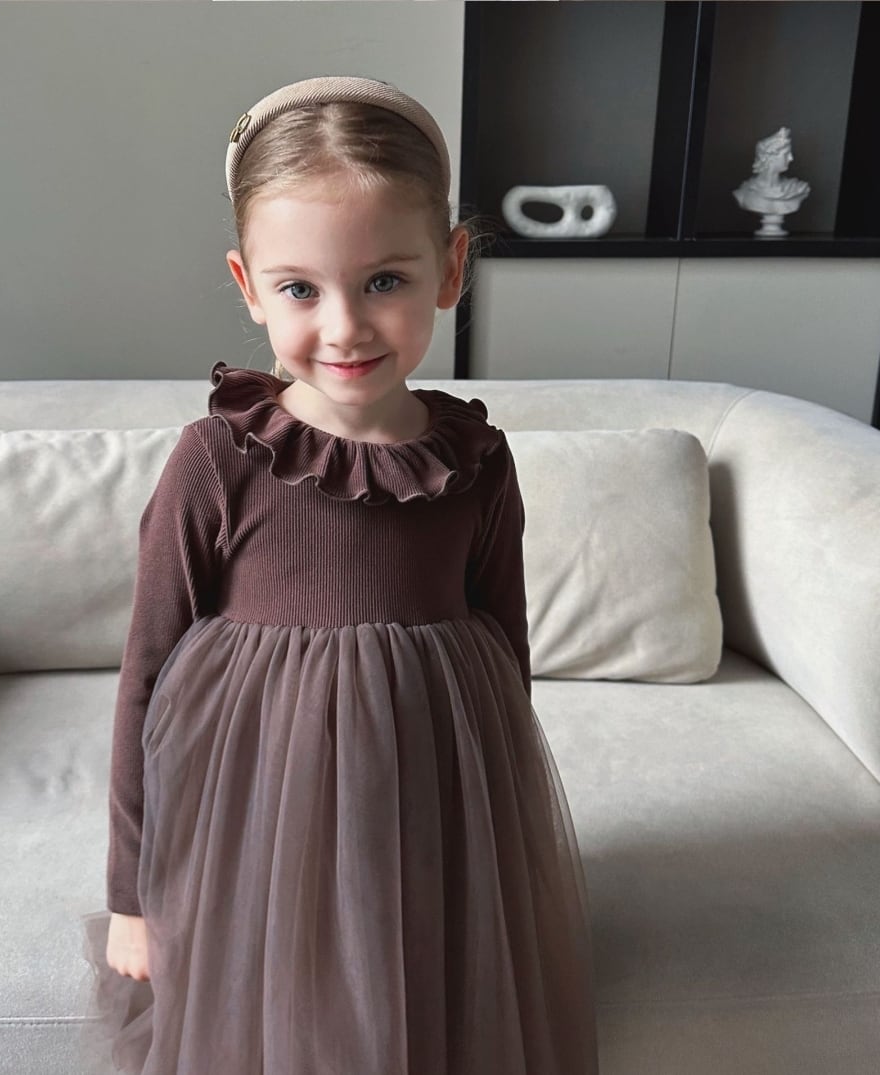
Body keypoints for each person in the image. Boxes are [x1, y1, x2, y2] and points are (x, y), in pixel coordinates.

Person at [79, 75, 598, 1075]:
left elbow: (507, 653)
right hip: (261, 826)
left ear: (451, 268)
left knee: (421, 1009)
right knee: (291, 1017)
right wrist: (131, 896)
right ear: (247, 285)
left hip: (427, 813)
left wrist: (506, 849)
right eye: (300, 289)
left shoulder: (477, 460)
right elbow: (145, 676)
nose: (346, 326)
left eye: (385, 280)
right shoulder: (218, 460)